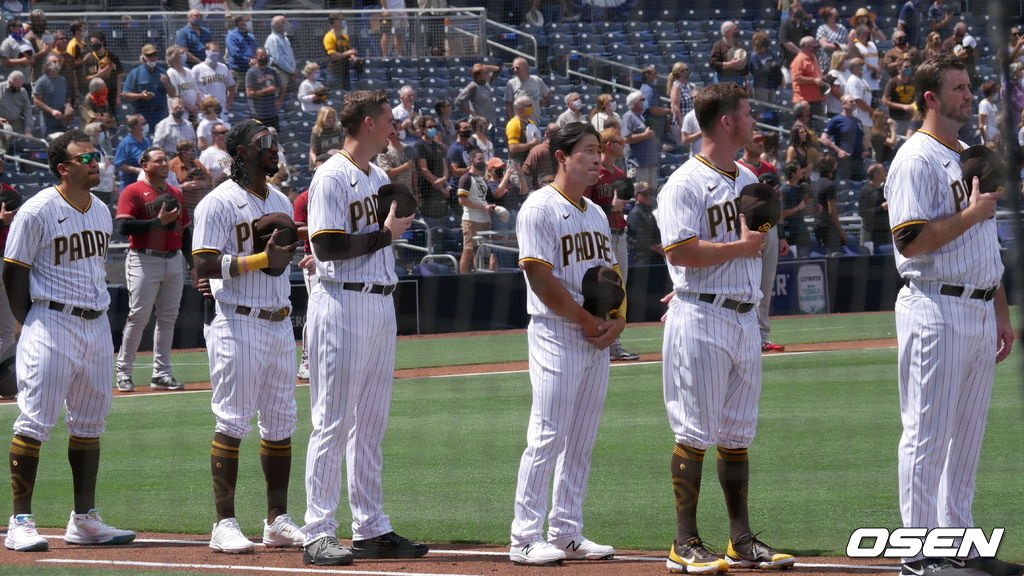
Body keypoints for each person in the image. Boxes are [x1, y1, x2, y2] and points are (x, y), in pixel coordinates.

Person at [885, 53, 1022, 576]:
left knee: (965, 437)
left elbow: (985, 243)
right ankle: (917, 554)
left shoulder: (967, 154)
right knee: (926, 435)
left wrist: (1001, 311)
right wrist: (971, 212)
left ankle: (959, 542)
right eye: (959, 88)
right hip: (934, 305)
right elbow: (911, 241)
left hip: (979, 306)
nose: (968, 95)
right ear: (931, 98)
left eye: (968, 87)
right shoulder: (914, 160)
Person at [655, 82, 794, 574]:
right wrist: (738, 249)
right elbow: (679, 250)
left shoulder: (749, 178)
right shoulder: (684, 183)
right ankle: (684, 543)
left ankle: (740, 540)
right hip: (701, 315)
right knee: (694, 430)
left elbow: (756, 245)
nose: (755, 121)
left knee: (736, 432)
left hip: (742, 316)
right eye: (748, 113)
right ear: (727, 121)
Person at [301, 89, 426, 567]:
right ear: (369, 123)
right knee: (332, 421)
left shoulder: (375, 175)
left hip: (379, 302)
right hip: (342, 301)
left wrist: (393, 225)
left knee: (370, 425)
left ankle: (371, 530)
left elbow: (374, 236)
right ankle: (317, 532)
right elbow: (327, 246)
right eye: (389, 120)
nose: (394, 127)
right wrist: (387, 234)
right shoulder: (331, 175)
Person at [2, 130, 136, 553]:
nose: (96, 163)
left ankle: (84, 520)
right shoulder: (37, 210)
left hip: (95, 325)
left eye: (97, 156)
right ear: (63, 168)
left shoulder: (101, 210)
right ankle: (20, 521)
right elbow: (13, 271)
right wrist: (30, 320)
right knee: (35, 421)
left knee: (90, 423)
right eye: (86, 158)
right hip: (51, 320)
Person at [509, 121, 620, 566]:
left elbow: (611, 275)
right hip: (556, 331)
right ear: (561, 156)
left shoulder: (595, 213)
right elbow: (539, 278)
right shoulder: (539, 208)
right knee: (548, 434)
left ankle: (567, 530)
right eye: (589, 150)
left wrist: (618, 319)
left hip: (594, 334)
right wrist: (587, 320)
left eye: (599, 150)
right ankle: (523, 536)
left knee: (582, 438)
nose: (598, 158)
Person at [191, 119, 304, 555]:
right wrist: (260, 259)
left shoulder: (279, 199)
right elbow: (203, 265)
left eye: (276, 140)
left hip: (279, 320)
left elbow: (278, 263)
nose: (275, 148)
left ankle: (277, 521)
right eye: (265, 142)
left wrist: (281, 255)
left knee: (280, 423)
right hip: (237, 320)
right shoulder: (217, 202)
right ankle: (223, 524)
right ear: (241, 152)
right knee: (233, 421)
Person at [113, 146, 190, 393]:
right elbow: (123, 228)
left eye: (165, 159)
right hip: (144, 259)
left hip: (174, 258)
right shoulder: (132, 191)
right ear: (145, 165)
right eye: (158, 160)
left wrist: (192, 264)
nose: (164, 163)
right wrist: (158, 222)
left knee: (168, 318)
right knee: (138, 317)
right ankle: (124, 372)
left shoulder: (175, 193)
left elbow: (185, 230)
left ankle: (162, 374)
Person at [584, 126, 639, 361]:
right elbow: (583, 205)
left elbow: (623, 203)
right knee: (602, 289)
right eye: (619, 141)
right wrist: (610, 207)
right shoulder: (594, 172)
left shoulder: (619, 174)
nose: (623, 145)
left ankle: (614, 345)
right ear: (608, 145)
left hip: (619, 233)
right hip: (601, 236)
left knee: (619, 289)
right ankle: (602, 343)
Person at [457, 148, 494, 273]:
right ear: (472, 160)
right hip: (471, 220)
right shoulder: (466, 178)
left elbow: (485, 198)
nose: (482, 161)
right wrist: (483, 208)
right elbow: (462, 200)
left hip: (485, 220)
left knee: (481, 252)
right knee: (468, 251)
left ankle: (477, 276)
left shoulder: (482, 178)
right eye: (479, 159)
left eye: (483, 159)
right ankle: (463, 279)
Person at [121, 44, 172, 133]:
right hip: (143, 114)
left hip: (161, 113)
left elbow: (173, 94)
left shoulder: (162, 72)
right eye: (150, 55)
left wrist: (166, 83)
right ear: (143, 58)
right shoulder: (135, 73)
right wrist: (140, 96)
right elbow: (125, 94)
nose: (153, 58)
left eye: (154, 55)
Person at [820, 95, 869, 181]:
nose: (854, 103)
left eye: (854, 101)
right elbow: (824, 138)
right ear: (843, 104)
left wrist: (865, 150)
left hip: (858, 161)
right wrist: (838, 151)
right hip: (844, 161)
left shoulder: (857, 121)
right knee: (843, 185)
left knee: (860, 184)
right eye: (851, 101)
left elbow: (862, 137)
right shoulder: (836, 120)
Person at [415, 114, 451, 224]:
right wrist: (441, 188)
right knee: (431, 223)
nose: (433, 129)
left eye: (435, 127)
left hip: (441, 189)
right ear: (422, 129)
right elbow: (424, 169)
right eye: (430, 127)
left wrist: (444, 179)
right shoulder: (419, 146)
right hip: (427, 191)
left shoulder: (438, 146)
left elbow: (445, 166)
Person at [622, 90, 658, 191]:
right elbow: (626, 139)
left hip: (649, 162)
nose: (644, 102)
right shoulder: (628, 116)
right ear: (635, 102)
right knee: (640, 192)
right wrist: (645, 135)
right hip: (638, 164)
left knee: (651, 192)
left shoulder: (641, 117)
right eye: (642, 100)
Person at [811, 153, 847, 253]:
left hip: (817, 224)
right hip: (828, 226)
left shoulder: (814, 184)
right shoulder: (830, 185)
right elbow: (832, 210)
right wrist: (840, 230)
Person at [82, 31, 122, 118]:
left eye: (96, 42)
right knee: (96, 119)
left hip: (111, 93)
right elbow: (85, 78)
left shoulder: (113, 57)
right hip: (95, 95)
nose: (93, 44)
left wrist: (118, 96)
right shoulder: (89, 58)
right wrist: (98, 75)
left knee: (110, 118)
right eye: (91, 42)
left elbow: (119, 77)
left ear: (102, 42)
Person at [32, 53, 74, 133]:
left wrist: (68, 106)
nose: (57, 64)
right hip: (48, 122)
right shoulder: (41, 81)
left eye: (58, 62)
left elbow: (67, 97)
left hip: (62, 120)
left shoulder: (62, 80)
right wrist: (52, 111)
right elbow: (36, 101)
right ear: (47, 65)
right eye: (54, 62)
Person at [193, 42, 235, 120]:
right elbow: (192, 90)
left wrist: (229, 102)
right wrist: (199, 104)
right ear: (206, 51)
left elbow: (232, 86)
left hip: (222, 110)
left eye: (218, 51)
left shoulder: (224, 67)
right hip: (205, 111)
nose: (216, 53)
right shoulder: (197, 69)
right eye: (213, 51)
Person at [245, 48, 285, 130]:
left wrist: (279, 100)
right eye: (261, 56)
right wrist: (266, 90)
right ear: (256, 57)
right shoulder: (251, 72)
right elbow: (249, 93)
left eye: (265, 55)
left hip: (272, 113)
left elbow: (282, 87)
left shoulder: (272, 71)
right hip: (258, 114)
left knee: (274, 135)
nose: (263, 57)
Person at [168, 139, 211, 215]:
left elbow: (210, 181)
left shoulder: (197, 163)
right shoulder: (172, 165)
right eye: (191, 150)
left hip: (200, 203)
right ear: (183, 152)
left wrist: (202, 184)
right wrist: (182, 186)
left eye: (194, 150)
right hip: (183, 205)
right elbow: (167, 187)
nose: (193, 153)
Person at [504, 57, 551, 124]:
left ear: (525, 67)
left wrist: (539, 106)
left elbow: (547, 94)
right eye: (513, 68)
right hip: (519, 124)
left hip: (534, 122)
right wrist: (512, 121)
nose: (515, 70)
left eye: (517, 68)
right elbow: (508, 105)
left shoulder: (537, 80)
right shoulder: (511, 83)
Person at [791, 36, 828, 122]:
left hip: (816, 99)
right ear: (806, 47)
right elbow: (797, 78)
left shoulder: (813, 58)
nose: (816, 49)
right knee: (806, 126)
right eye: (814, 47)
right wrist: (814, 81)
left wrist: (823, 79)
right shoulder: (799, 60)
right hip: (804, 101)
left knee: (817, 126)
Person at [780, 159, 812, 255]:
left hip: (802, 231)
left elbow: (804, 210)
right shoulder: (783, 191)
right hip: (791, 233)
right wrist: (798, 208)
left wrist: (815, 209)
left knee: (805, 259)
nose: (802, 171)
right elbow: (781, 214)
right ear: (793, 174)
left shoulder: (800, 189)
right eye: (799, 169)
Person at [455, 62, 500, 128]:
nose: (488, 74)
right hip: (478, 124)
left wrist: (483, 66)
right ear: (479, 76)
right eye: (486, 73)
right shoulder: (473, 86)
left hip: (490, 122)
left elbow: (498, 69)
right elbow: (458, 102)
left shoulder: (486, 83)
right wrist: (474, 114)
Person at [857, 162, 890, 252]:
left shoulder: (884, 190)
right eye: (883, 171)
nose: (886, 173)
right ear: (876, 174)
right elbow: (863, 212)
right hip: (871, 234)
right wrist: (881, 208)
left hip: (886, 233)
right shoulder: (865, 191)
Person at [114, 114, 152, 189]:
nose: (146, 125)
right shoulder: (125, 144)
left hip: (146, 183)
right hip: (130, 184)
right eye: (143, 124)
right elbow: (119, 165)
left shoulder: (146, 141)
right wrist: (138, 170)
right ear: (136, 127)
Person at [323, 14, 359, 92]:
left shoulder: (344, 37)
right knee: (335, 95)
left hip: (345, 72)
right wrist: (348, 53)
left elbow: (349, 50)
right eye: (341, 20)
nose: (343, 21)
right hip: (334, 73)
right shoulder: (329, 36)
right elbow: (333, 56)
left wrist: (353, 56)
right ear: (335, 21)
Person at [626, 184, 661, 265]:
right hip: (642, 260)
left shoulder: (649, 214)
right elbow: (641, 239)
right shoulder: (635, 214)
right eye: (645, 194)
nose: (649, 197)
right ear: (636, 196)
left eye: (650, 194)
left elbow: (657, 234)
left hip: (655, 257)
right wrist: (659, 250)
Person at [375, 122, 414, 190]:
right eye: (400, 129)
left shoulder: (408, 148)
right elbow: (388, 174)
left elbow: (413, 172)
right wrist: (406, 166)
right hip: (394, 193)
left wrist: (415, 191)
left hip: (409, 191)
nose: (402, 131)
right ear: (391, 131)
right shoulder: (384, 152)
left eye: (402, 129)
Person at [883, 58, 917, 136]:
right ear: (899, 68)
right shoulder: (892, 82)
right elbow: (885, 101)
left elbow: (917, 97)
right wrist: (903, 106)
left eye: (910, 66)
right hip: (896, 119)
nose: (908, 68)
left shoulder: (913, 82)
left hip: (911, 119)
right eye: (906, 67)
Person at [166, 45, 200, 122]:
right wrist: (190, 108)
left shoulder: (188, 71)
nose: (184, 55)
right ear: (174, 57)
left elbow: (197, 92)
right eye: (181, 53)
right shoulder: (171, 73)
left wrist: (196, 106)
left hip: (194, 113)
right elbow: (175, 96)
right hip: (181, 113)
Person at [0, 18, 35, 92]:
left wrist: (28, 61)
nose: (21, 28)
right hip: (13, 83)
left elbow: (33, 59)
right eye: (19, 26)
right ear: (11, 28)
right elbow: (5, 61)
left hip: (26, 81)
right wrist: (21, 60)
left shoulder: (27, 42)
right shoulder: (7, 43)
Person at [710, 21, 748, 88]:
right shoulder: (718, 46)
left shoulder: (739, 45)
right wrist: (730, 64)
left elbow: (745, 67)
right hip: (723, 81)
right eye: (735, 29)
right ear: (727, 32)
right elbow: (713, 63)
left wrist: (746, 82)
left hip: (739, 80)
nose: (737, 31)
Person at [521, 123, 557, 192]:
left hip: (539, 189)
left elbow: (526, 171)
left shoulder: (537, 151)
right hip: (559, 190)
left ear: (546, 134)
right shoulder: (565, 151)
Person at [265, 15, 297, 94]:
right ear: (279, 26)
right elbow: (278, 59)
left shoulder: (285, 38)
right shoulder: (273, 39)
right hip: (280, 71)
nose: (287, 24)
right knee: (280, 94)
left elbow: (290, 55)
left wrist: (293, 69)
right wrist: (291, 70)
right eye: (284, 22)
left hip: (289, 71)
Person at [506, 95, 542, 165]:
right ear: (519, 109)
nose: (531, 108)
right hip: (517, 165)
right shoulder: (513, 124)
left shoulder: (531, 122)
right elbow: (513, 148)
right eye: (529, 106)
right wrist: (531, 144)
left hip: (530, 164)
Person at [748, 32, 782, 104]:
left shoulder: (769, 52)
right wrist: (768, 69)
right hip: (761, 86)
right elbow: (756, 72)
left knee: (772, 107)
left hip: (772, 85)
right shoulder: (754, 55)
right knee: (762, 108)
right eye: (764, 40)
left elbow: (777, 63)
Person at [225, 14, 257, 88]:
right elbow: (235, 53)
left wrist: (255, 59)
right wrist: (249, 60)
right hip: (239, 71)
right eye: (247, 21)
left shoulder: (251, 36)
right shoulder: (231, 36)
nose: (249, 23)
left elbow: (256, 49)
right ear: (240, 23)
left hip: (252, 69)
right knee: (240, 92)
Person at [815, 6, 848, 74]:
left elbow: (848, 43)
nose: (834, 17)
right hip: (827, 63)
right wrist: (840, 47)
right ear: (826, 17)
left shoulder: (842, 28)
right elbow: (825, 45)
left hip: (841, 61)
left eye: (835, 15)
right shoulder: (822, 28)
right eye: (831, 15)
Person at [0, 72, 33, 137]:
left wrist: (28, 130)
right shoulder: (0, 88)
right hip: (2, 122)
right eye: (14, 87)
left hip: (17, 122)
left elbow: (28, 111)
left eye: (19, 87)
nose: (17, 89)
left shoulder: (23, 92)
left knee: (21, 141)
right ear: (9, 82)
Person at [844, 58, 873, 130]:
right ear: (856, 68)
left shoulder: (862, 80)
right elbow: (857, 100)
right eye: (862, 65)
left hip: (866, 121)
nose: (864, 66)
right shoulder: (853, 80)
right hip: (858, 121)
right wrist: (872, 111)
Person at [977, 80, 1000, 146]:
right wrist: (986, 142)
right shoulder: (984, 104)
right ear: (992, 92)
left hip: (996, 139)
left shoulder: (993, 105)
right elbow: (981, 125)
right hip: (990, 141)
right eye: (996, 90)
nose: (997, 93)